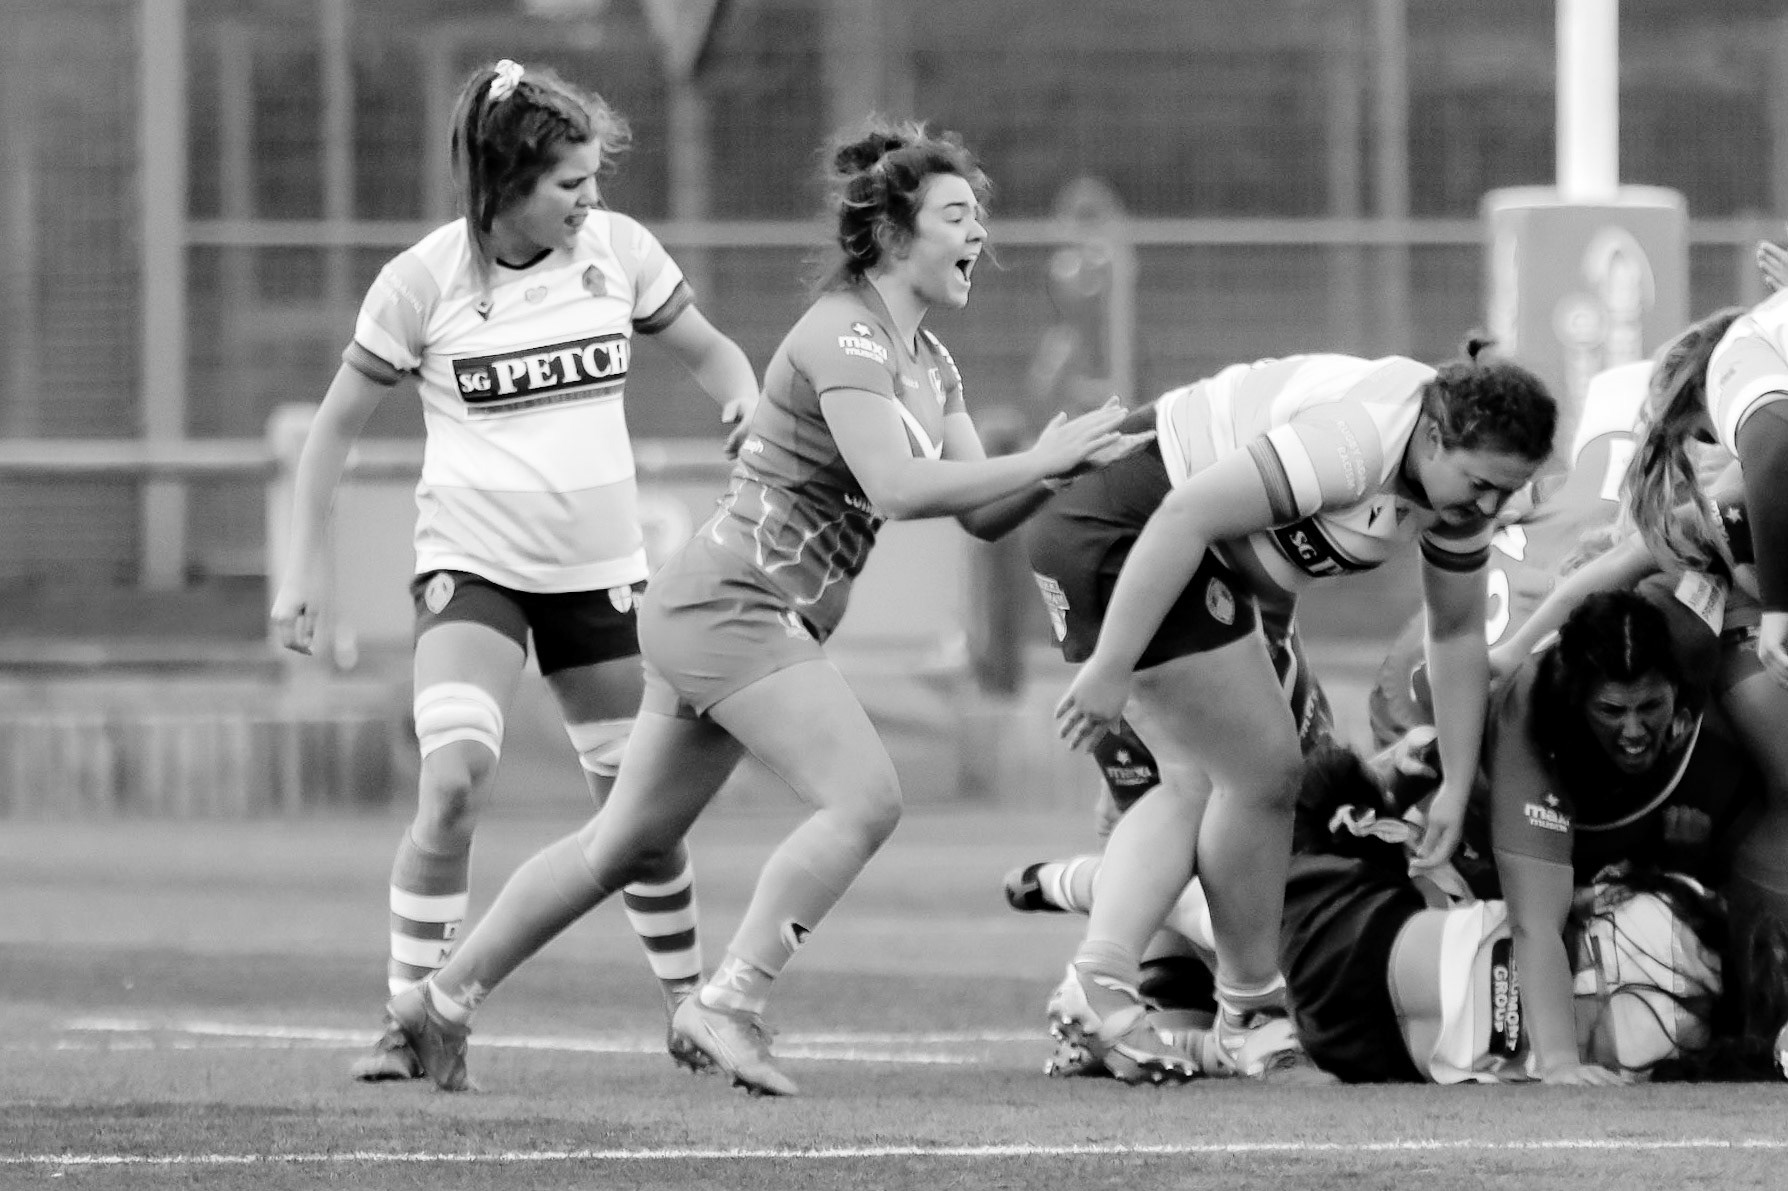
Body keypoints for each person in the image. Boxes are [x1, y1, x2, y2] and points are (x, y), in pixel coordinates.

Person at [373, 119, 1152, 1097]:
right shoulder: (844, 333)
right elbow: (898, 485)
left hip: (726, 611)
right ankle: (727, 1004)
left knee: (620, 844)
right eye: (958, 215)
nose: (979, 235)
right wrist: (1042, 457)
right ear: (893, 232)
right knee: (865, 798)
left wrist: (1058, 468)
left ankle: (439, 1002)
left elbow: (981, 513)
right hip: (734, 606)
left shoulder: (931, 360)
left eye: (978, 217)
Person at [267, 59, 762, 1082]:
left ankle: (690, 1010)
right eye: (571, 182)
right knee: (453, 784)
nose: (591, 199)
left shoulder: (622, 252)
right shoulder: (422, 282)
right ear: (505, 183)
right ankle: (410, 1021)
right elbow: (329, 434)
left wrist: (743, 400)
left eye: (594, 178)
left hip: (602, 578)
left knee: (639, 820)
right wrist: (299, 572)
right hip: (473, 569)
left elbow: (717, 354)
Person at [1028, 341, 1557, 1083]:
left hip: (1165, 551)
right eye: (1482, 484)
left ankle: (1124, 983)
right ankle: (1237, 1009)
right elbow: (1183, 515)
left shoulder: (1457, 491)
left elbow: (1458, 633)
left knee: (1204, 781)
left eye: (1509, 490)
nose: (1492, 508)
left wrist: (1459, 785)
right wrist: (1112, 663)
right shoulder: (1355, 442)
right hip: (1124, 531)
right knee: (1263, 773)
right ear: (1435, 437)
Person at [1014, 744, 1737, 1084]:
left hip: (1367, 990)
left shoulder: (1371, 863)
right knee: (1218, 906)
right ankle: (1074, 910)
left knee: (1220, 920)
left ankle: (1082, 933)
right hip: (1372, 995)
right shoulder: (1402, 839)